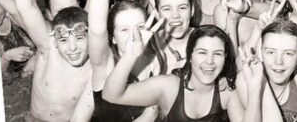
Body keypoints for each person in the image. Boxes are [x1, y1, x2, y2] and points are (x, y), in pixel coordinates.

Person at [102, 24, 256, 122]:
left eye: (217, 54)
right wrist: (131, 55)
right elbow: (111, 95)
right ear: (190, 56)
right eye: (202, 52)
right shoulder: (169, 86)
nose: (210, 61)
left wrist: (254, 89)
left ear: (225, 58)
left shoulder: (226, 92)